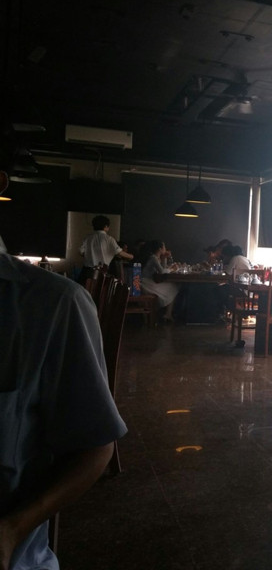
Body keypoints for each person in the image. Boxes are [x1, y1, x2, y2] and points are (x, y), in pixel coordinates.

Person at [0, 172, 127, 570]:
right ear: (107, 226)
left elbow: (83, 252)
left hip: (88, 276)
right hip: (102, 276)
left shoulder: (78, 259)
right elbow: (119, 256)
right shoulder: (56, 299)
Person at [78, 215, 133, 284]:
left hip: (86, 272)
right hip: (101, 273)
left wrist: (91, 256)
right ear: (106, 226)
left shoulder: (87, 238)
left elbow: (81, 252)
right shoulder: (109, 239)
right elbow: (119, 252)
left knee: (84, 290)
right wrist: (131, 256)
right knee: (99, 290)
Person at [140, 240, 179, 323]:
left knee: (173, 286)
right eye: (164, 247)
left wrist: (164, 258)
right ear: (160, 249)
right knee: (173, 287)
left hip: (148, 282)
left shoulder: (155, 257)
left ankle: (168, 314)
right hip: (145, 283)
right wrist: (172, 269)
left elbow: (163, 268)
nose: (165, 249)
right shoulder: (153, 258)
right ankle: (168, 314)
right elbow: (162, 271)